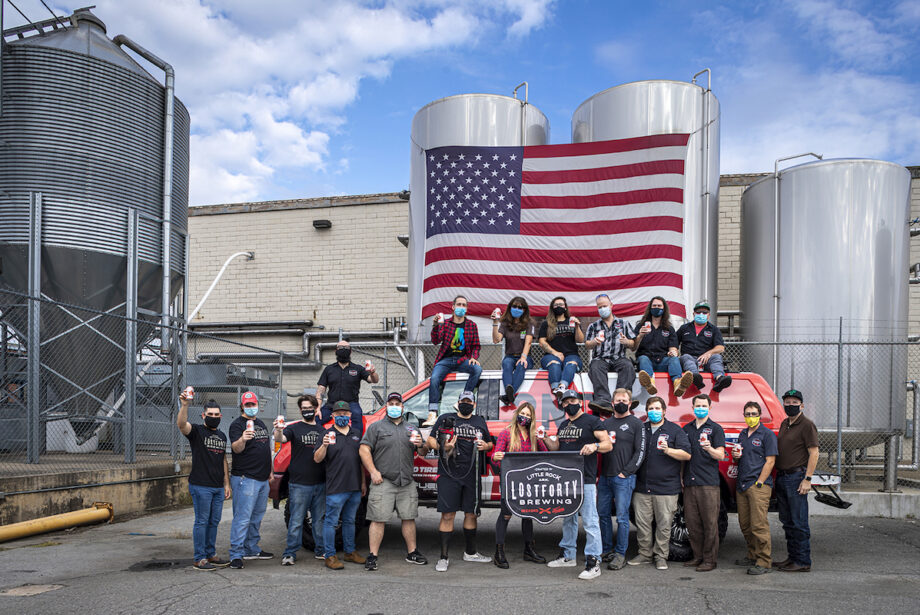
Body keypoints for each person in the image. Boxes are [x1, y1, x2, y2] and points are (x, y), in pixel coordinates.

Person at [543, 389, 612, 580]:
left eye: (572, 401)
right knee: (568, 519)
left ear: (580, 402)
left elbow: (608, 444)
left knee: (590, 521)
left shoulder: (592, 421)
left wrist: (594, 446)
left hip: (585, 479)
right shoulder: (563, 425)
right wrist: (545, 438)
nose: (569, 404)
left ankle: (594, 562)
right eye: (565, 402)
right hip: (566, 479)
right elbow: (556, 448)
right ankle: (568, 555)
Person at [359, 392, 429, 571]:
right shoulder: (376, 427)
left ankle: (412, 552)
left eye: (398, 404)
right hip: (384, 481)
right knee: (378, 519)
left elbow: (423, 452)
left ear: (403, 407)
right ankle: (373, 555)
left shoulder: (412, 428)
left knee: (409, 518)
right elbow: (364, 450)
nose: (394, 406)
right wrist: (373, 472)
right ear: (386, 406)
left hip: (406, 482)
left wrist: (421, 444)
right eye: (391, 403)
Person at [425, 391, 494, 572]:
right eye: (463, 401)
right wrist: (443, 446)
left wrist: (485, 446)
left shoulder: (479, 421)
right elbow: (430, 439)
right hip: (449, 473)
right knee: (448, 515)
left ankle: (470, 552)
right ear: (458, 403)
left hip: (472, 475)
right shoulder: (445, 418)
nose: (466, 404)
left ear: (474, 404)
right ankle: (443, 557)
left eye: (469, 402)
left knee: (471, 514)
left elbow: (490, 444)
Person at [629, 396, 691, 570]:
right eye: (651, 409)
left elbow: (686, 455)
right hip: (642, 487)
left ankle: (661, 556)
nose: (654, 412)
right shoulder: (641, 429)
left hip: (667, 488)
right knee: (643, 524)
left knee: (664, 525)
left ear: (664, 411)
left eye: (657, 409)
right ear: (646, 411)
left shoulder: (674, 430)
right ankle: (644, 554)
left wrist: (668, 450)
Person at [177, 391, 231, 571]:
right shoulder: (197, 432)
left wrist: (226, 483)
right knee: (202, 521)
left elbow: (223, 459)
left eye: (216, 414)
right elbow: (181, 424)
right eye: (210, 414)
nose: (213, 417)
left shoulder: (222, 436)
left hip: (217, 487)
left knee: (214, 521)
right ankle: (199, 558)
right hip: (201, 486)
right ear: (203, 415)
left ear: (220, 416)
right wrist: (185, 405)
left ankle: (210, 554)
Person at [491, 402, 548, 569]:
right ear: (517, 414)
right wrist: (496, 457)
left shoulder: (533, 435)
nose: (525, 417)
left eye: (529, 415)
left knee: (527, 514)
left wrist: (541, 439)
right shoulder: (506, 433)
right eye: (523, 413)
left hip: (528, 481)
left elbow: (545, 455)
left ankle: (529, 550)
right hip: (510, 480)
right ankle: (499, 552)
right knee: (506, 515)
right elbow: (496, 455)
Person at [274, 394, 326, 566]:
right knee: (296, 520)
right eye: (304, 408)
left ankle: (321, 550)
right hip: (299, 484)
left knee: (319, 521)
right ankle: (290, 553)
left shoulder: (322, 431)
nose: (307, 411)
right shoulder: (294, 428)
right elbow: (280, 438)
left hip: (320, 483)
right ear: (300, 410)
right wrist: (278, 429)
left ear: (316, 409)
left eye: (310, 408)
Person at [314, 401, 367, 569]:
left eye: (345, 413)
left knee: (350, 521)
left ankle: (350, 552)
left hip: (354, 486)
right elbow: (317, 459)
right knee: (331, 522)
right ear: (333, 416)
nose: (342, 416)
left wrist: (363, 482)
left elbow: (360, 461)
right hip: (336, 487)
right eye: (338, 414)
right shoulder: (326, 434)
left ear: (350, 415)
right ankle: (329, 556)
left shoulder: (356, 434)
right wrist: (324, 445)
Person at [598, 388, 646, 571]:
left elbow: (640, 452)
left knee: (622, 518)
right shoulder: (605, 424)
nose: (621, 403)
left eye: (624, 400)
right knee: (603, 514)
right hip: (605, 478)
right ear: (612, 403)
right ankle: (607, 549)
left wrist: (626, 473)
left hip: (624, 478)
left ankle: (620, 554)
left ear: (630, 403)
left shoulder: (636, 424)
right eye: (618, 400)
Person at [773, 389, 819, 573]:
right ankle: (792, 558)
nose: (790, 405)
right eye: (787, 402)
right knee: (788, 521)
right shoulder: (785, 423)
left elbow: (814, 453)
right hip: (782, 477)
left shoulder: (807, 425)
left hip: (796, 478)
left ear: (802, 405)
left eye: (794, 402)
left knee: (799, 522)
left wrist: (807, 479)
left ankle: (802, 561)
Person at [228, 391, 274, 569]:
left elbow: (266, 449)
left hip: (262, 479)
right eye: (247, 405)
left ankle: (251, 548)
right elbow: (236, 449)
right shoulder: (237, 425)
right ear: (242, 406)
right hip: (245, 478)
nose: (251, 407)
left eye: (253, 404)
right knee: (242, 518)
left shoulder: (260, 423)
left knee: (256, 517)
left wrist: (270, 471)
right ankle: (236, 554)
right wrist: (243, 438)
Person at [681, 394, 726, 572]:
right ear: (692, 408)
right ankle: (697, 556)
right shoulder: (687, 429)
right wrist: (681, 477)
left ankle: (709, 560)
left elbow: (721, 455)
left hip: (708, 484)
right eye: (698, 406)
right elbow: (684, 456)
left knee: (710, 524)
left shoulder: (715, 429)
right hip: (690, 483)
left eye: (704, 406)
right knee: (693, 524)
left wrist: (709, 448)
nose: (700, 408)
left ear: (709, 408)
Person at [733, 401, 778, 575]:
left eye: (753, 414)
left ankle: (764, 561)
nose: (750, 417)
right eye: (748, 414)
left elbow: (770, 461)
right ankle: (752, 555)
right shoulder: (743, 434)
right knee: (745, 524)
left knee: (759, 525)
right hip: (742, 485)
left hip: (758, 485)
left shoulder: (767, 435)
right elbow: (739, 458)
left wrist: (760, 482)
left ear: (760, 415)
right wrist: (736, 456)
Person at [424, 295, 483, 426]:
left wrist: (474, 357)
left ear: (466, 308)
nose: (461, 307)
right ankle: (432, 412)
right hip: (445, 360)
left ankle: (463, 399)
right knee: (434, 378)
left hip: (463, 359)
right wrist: (436, 325)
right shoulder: (445, 323)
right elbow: (436, 340)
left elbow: (476, 345)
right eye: (459, 304)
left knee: (477, 369)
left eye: (464, 305)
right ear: (453, 307)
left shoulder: (471, 325)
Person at [585, 294, 636, 413]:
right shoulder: (593, 326)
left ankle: (622, 398)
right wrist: (594, 342)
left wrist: (627, 341)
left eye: (605, 306)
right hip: (600, 358)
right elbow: (587, 344)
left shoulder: (624, 323)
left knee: (628, 366)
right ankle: (603, 400)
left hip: (619, 357)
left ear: (611, 305)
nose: (602, 309)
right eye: (600, 307)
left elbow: (633, 344)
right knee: (595, 366)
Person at [316, 339, 379, 435]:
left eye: (346, 347)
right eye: (341, 347)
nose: (343, 349)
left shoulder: (358, 368)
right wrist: (318, 408)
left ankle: (356, 441)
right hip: (331, 405)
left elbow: (374, 380)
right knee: (316, 420)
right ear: (336, 351)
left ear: (350, 351)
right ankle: (322, 441)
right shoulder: (329, 369)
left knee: (357, 418)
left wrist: (373, 373)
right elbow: (320, 390)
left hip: (351, 404)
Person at [634, 296, 693, 397]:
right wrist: (640, 335)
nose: (656, 308)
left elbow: (673, 347)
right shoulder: (641, 326)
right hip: (646, 361)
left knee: (674, 359)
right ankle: (649, 383)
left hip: (662, 361)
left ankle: (678, 384)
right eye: (654, 306)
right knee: (643, 358)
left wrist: (673, 352)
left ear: (664, 309)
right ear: (650, 308)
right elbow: (633, 346)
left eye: (659, 306)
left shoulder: (669, 328)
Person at [676, 300, 732, 393]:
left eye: (704, 312)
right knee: (685, 357)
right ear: (694, 314)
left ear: (708, 315)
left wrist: (708, 353)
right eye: (698, 312)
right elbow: (674, 343)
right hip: (689, 358)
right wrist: (674, 352)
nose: (701, 314)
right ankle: (695, 377)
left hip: (707, 360)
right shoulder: (684, 328)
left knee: (717, 357)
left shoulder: (714, 329)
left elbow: (720, 348)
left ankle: (720, 379)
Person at [538, 296, 585, 399]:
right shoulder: (546, 323)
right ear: (552, 307)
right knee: (554, 364)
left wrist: (577, 327)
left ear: (565, 307)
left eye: (561, 304)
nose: (558, 306)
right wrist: (555, 353)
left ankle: (562, 387)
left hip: (571, 354)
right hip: (551, 355)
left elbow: (580, 340)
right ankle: (555, 389)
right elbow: (541, 341)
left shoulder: (571, 321)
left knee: (571, 364)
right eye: (556, 305)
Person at [492, 297, 536, 406]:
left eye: (520, 307)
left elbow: (528, 342)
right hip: (510, 356)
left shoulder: (529, 323)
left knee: (521, 365)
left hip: (525, 356)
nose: (517, 309)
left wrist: (523, 357)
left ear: (524, 310)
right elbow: (496, 340)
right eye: (514, 306)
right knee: (506, 364)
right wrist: (495, 323)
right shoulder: (505, 323)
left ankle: (508, 396)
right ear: (510, 307)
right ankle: (509, 393)